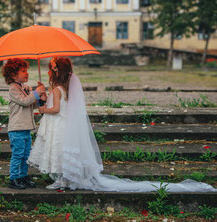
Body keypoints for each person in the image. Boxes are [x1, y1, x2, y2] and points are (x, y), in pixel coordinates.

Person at [28, 57, 217, 192]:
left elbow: (56, 109)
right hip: (62, 125)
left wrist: (43, 109)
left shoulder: (58, 90)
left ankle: (64, 180)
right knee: (62, 152)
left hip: (59, 124)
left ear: (55, 72)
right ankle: (65, 179)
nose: (47, 72)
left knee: (60, 152)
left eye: (50, 69)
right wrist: (43, 95)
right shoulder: (63, 88)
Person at [3, 58, 46, 189]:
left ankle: (23, 176)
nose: (27, 73)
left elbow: (30, 105)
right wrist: (36, 92)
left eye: (26, 70)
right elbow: (25, 101)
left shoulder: (23, 88)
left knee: (26, 155)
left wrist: (41, 99)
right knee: (18, 154)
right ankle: (14, 178)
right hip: (17, 128)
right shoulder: (13, 89)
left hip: (26, 128)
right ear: (13, 74)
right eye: (23, 71)